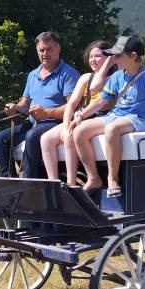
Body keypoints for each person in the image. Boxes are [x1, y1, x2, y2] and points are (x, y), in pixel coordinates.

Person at [69, 35, 145, 197]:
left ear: (133, 56)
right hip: (115, 116)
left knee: (112, 129)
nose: (113, 59)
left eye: (118, 55)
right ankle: (94, 178)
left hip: (138, 119)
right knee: (79, 131)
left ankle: (112, 179)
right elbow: (100, 100)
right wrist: (81, 116)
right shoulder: (116, 76)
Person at [0, 31, 80, 178]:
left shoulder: (69, 73)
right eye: (42, 50)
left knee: (32, 135)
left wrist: (46, 113)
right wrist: (15, 108)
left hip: (57, 123)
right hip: (34, 124)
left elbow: (73, 106)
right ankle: (8, 182)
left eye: (49, 49)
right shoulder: (33, 75)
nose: (45, 53)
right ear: (37, 51)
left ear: (58, 49)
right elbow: (25, 105)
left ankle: (30, 181)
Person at [39, 40, 116, 185]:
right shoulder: (85, 77)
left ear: (109, 58)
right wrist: (66, 126)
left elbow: (96, 89)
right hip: (80, 118)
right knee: (46, 139)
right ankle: (53, 183)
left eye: (98, 56)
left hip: (99, 118)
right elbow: (71, 104)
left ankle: (71, 183)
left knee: (70, 138)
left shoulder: (114, 78)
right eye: (91, 56)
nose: (93, 60)